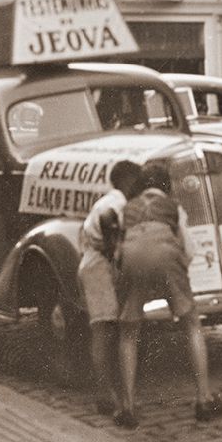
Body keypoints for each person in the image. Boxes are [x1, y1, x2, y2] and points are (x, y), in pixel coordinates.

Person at [117, 164, 222, 427]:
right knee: (191, 324)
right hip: (166, 255)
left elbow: (119, 247)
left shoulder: (128, 208)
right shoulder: (174, 208)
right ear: (166, 186)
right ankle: (204, 399)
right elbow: (190, 248)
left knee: (128, 333)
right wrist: (177, 274)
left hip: (132, 258)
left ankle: (127, 407)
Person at [77, 160, 141, 427]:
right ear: (126, 180)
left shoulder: (110, 199)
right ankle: (105, 394)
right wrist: (115, 252)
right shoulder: (116, 201)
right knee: (103, 330)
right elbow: (107, 220)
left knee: (106, 329)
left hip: (95, 262)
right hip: (100, 265)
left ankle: (108, 392)